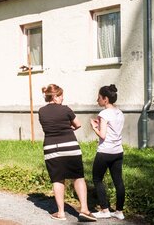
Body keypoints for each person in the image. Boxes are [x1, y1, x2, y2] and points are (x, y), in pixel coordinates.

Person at [38, 84, 96, 222]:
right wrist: (68, 127)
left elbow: (48, 127)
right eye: (61, 95)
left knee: (57, 179)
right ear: (55, 96)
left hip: (51, 148)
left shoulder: (41, 111)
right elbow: (78, 124)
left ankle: (61, 213)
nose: (63, 98)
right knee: (78, 177)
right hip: (70, 146)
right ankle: (84, 210)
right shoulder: (66, 109)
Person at [90, 84, 126, 220]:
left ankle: (104, 210)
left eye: (99, 97)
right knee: (118, 181)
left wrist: (94, 127)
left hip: (105, 152)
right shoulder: (119, 112)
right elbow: (113, 129)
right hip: (118, 151)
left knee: (97, 179)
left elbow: (103, 135)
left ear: (105, 99)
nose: (97, 100)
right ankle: (119, 211)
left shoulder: (104, 113)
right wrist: (99, 124)